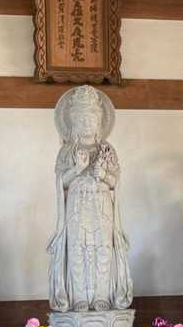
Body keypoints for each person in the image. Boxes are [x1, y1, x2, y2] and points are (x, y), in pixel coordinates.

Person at [48, 86, 132, 312]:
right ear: (73, 121)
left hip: (102, 204)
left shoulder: (107, 150)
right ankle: (80, 298)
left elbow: (115, 182)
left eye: (91, 117)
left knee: (103, 248)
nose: (87, 122)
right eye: (81, 118)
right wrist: (77, 169)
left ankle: (101, 297)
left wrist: (103, 174)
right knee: (77, 249)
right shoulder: (67, 151)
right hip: (77, 204)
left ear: (99, 120)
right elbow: (61, 182)